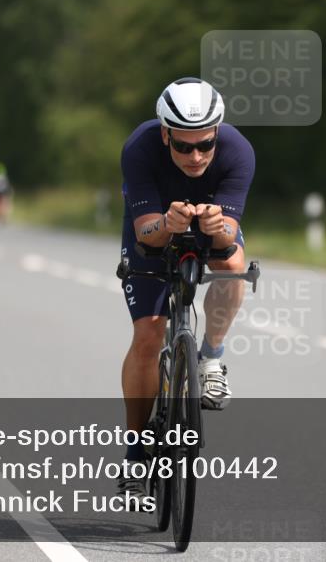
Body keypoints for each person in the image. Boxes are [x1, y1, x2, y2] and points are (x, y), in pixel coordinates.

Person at [117, 77, 255, 501]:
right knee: (148, 335)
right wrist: (167, 224)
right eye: (183, 146)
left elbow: (229, 236)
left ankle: (211, 359)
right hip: (155, 227)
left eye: (205, 145)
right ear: (165, 135)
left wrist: (217, 227)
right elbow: (146, 233)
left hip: (209, 226)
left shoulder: (238, 151)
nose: (196, 156)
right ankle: (136, 455)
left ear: (217, 133)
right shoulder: (140, 148)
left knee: (233, 264)